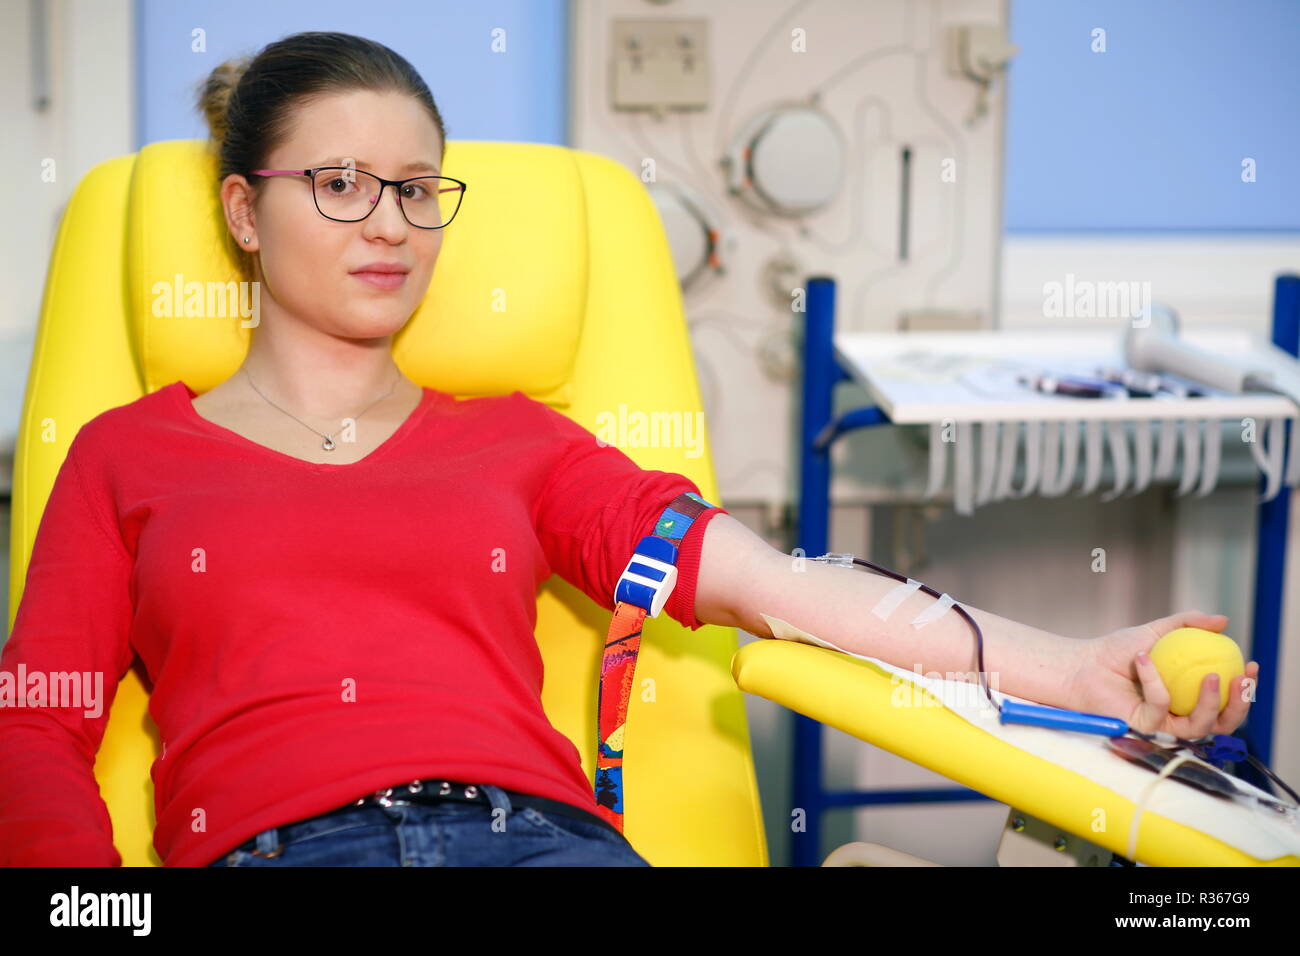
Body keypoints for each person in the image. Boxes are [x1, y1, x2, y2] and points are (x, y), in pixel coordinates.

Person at [0, 30, 1259, 869]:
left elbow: (774, 585)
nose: (390, 225)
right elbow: (35, 731)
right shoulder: (132, 455)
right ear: (244, 211)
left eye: (418, 187)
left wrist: (1081, 666)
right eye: (338, 184)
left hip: (548, 842)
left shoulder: (516, 443)